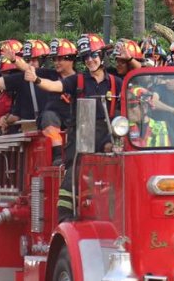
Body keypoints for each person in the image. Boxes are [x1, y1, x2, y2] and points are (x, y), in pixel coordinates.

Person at [29, 35, 120, 220]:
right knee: (74, 175)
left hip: (107, 136)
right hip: (81, 137)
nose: (90, 60)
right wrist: (37, 80)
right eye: (85, 57)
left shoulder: (115, 83)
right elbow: (54, 86)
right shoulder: (77, 81)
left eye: (93, 55)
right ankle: (65, 218)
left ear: (102, 55)